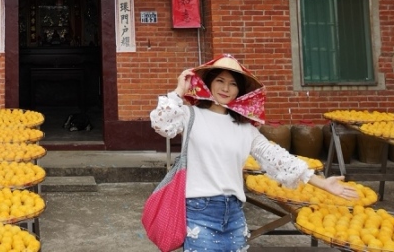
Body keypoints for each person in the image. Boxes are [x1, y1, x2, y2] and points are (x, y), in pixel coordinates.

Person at [150, 54, 358, 252]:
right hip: (199, 212)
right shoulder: (189, 115)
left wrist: (322, 183)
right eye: (220, 80)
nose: (225, 88)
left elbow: (278, 158)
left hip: (234, 215)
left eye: (233, 84)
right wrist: (179, 91)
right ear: (210, 83)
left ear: (239, 91)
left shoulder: (245, 128)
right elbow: (162, 124)